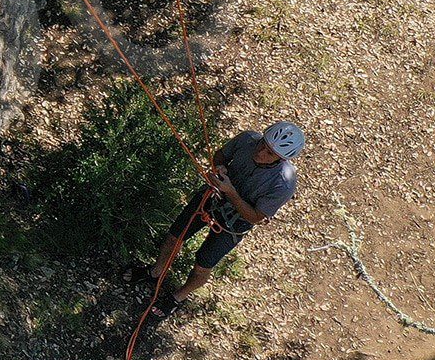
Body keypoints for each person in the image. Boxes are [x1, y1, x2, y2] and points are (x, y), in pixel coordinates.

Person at [125, 121, 304, 314]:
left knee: (203, 264)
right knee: (174, 236)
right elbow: (220, 155)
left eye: (270, 154)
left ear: (281, 159)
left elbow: (256, 217)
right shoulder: (247, 140)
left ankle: (178, 297)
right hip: (211, 197)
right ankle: (155, 273)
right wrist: (220, 167)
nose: (260, 152)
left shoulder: (283, 183)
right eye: (263, 144)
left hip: (236, 222)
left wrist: (231, 192)